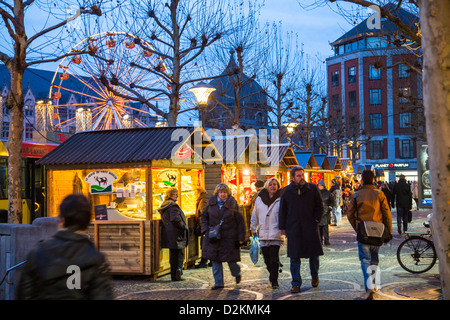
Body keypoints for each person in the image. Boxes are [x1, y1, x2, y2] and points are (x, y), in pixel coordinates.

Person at [16, 194, 113, 300]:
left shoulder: (38, 252)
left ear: (62, 220)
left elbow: (24, 294)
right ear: (87, 223)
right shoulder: (97, 259)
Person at [346, 170, 392, 300]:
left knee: (365, 259)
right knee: (374, 258)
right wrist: (388, 231)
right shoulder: (380, 194)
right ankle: (374, 283)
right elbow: (387, 213)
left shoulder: (356, 195)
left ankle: (369, 285)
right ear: (373, 180)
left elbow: (350, 214)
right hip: (377, 231)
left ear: (362, 180)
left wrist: (357, 227)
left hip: (363, 230)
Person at [279, 166, 324, 293]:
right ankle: (295, 283)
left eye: (302, 175)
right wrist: (282, 227)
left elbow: (319, 207)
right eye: (298, 176)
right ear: (292, 178)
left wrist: (315, 220)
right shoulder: (287, 191)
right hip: (294, 228)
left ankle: (314, 276)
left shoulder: (312, 189)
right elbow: (283, 210)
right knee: (294, 256)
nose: (301, 178)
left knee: (313, 255)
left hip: (310, 227)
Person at [201, 183, 246, 290]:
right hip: (214, 237)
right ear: (217, 193)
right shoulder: (210, 204)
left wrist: (241, 238)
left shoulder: (233, 204)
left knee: (231, 261)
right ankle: (218, 283)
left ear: (228, 193)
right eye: (221, 192)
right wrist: (206, 230)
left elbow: (240, 222)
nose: (223, 194)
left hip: (229, 238)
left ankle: (237, 273)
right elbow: (204, 217)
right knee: (215, 260)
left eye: (225, 192)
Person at [250, 177, 283, 289]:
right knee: (267, 259)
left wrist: (284, 227)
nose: (273, 186)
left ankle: (274, 280)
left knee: (274, 258)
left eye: (275, 184)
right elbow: (255, 214)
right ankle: (272, 274)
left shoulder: (281, 199)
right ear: (267, 186)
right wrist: (253, 228)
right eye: (271, 184)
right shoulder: (259, 199)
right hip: (263, 232)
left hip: (275, 231)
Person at [159, 187, 189, 281]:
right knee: (177, 255)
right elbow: (175, 219)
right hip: (176, 234)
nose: (177, 196)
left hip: (170, 234)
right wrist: (183, 226)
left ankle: (175, 275)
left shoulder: (165, 204)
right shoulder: (172, 206)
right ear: (171, 195)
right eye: (176, 194)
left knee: (174, 255)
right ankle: (176, 276)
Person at [194, 187, 210, 268]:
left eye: (195, 192)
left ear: (198, 192)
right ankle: (211, 260)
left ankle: (204, 262)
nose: (194, 194)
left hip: (206, 225)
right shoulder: (204, 199)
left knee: (204, 244)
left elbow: (204, 213)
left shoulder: (203, 200)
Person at [317, 180, 332, 246]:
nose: (319, 187)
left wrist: (329, 207)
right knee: (319, 228)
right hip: (319, 212)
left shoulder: (328, 193)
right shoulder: (316, 193)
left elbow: (332, 201)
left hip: (326, 212)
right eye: (319, 186)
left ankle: (326, 240)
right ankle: (320, 240)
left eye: (321, 185)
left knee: (325, 228)